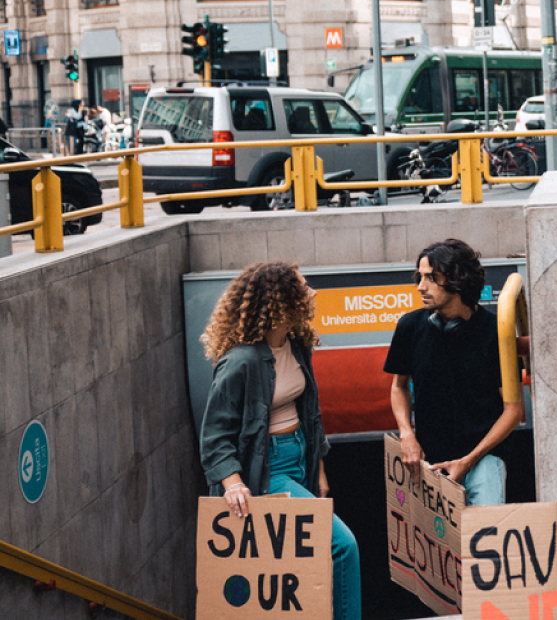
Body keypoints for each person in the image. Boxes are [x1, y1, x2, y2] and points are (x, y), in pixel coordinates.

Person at [197, 262, 361, 620]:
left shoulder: (296, 345)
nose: (313, 293)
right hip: (265, 471)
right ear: (281, 302)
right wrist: (234, 483)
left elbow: (311, 412)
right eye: (304, 289)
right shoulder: (241, 361)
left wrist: (317, 466)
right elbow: (214, 435)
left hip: (300, 457)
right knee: (342, 546)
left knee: (297, 564)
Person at [386, 239, 522, 506]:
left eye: (431, 278)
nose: (420, 287)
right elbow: (398, 386)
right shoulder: (409, 326)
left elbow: (513, 410)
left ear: (458, 281)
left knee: (487, 542)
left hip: (484, 457)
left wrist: (469, 460)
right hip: (429, 460)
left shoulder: (496, 331)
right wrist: (406, 434)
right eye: (420, 277)